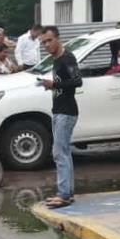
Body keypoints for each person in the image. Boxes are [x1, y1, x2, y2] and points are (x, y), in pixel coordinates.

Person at [39, 25, 82, 209]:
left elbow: (77, 81)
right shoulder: (56, 59)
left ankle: (64, 195)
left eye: (49, 40)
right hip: (59, 110)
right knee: (63, 152)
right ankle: (68, 193)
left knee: (59, 152)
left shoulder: (67, 58)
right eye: (44, 42)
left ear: (58, 39)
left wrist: (54, 84)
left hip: (67, 111)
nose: (47, 45)